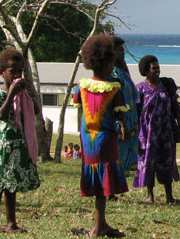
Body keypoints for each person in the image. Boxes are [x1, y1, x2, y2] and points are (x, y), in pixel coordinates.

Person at [71, 35, 129, 237]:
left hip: (87, 140)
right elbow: (120, 116)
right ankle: (97, 228)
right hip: (105, 139)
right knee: (104, 184)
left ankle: (100, 224)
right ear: (109, 63)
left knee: (96, 183)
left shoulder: (82, 86)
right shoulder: (114, 89)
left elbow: (80, 112)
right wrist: (123, 127)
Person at [0, 49, 40, 233]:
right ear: (2, 72)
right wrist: (11, 93)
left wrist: (27, 91)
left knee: (12, 185)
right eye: (13, 71)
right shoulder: (0, 94)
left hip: (19, 145)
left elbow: (35, 110)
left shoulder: (23, 94)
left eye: (20, 71)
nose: (17, 75)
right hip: (4, 146)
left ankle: (11, 223)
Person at [133, 55, 180, 204]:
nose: (157, 71)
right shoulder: (139, 88)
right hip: (147, 133)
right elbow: (135, 111)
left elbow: (175, 107)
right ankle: (150, 195)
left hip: (166, 131)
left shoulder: (167, 85)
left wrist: (179, 126)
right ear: (146, 71)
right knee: (149, 162)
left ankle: (169, 196)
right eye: (154, 69)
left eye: (158, 68)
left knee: (167, 161)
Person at [109, 37, 139, 173]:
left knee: (123, 164)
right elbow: (113, 101)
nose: (123, 52)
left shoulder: (122, 72)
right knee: (115, 161)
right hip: (120, 124)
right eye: (120, 50)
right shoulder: (113, 74)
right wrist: (122, 124)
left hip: (130, 122)